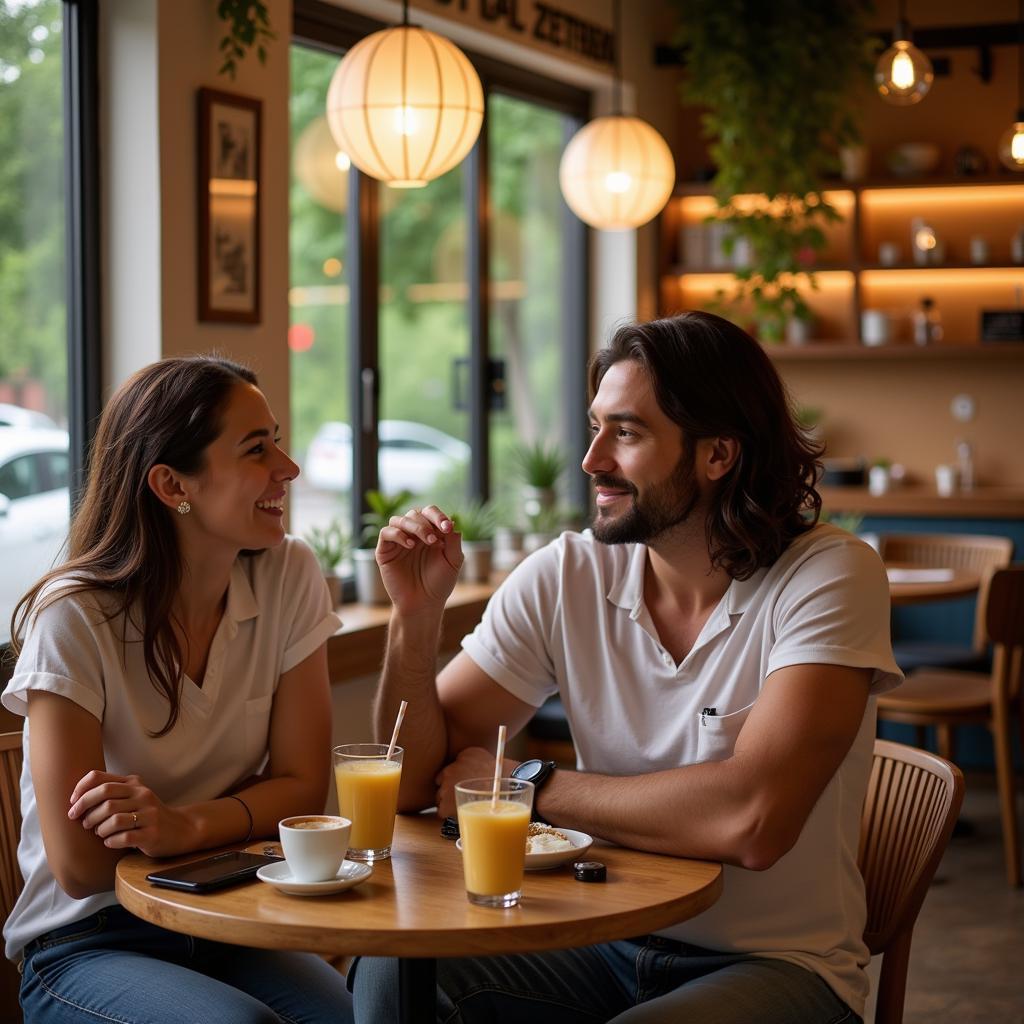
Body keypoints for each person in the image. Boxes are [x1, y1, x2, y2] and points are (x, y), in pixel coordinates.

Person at [353, 311, 902, 1024]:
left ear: (717, 454)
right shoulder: (566, 575)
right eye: (595, 426)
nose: (592, 460)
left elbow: (753, 820)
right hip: (600, 938)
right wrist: (415, 619)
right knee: (396, 978)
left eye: (628, 432)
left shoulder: (828, 575)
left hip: (778, 965)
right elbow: (413, 779)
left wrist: (531, 784)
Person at [3, 355, 354, 1024]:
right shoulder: (74, 616)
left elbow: (304, 789)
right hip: (85, 941)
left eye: (277, 439)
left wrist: (180, 824)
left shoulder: (289, 574)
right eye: (258, 449)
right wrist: (238, 812)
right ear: (171, 484)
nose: (289, 467)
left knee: (347, 1017)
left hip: (224, 910)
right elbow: (79, 865)